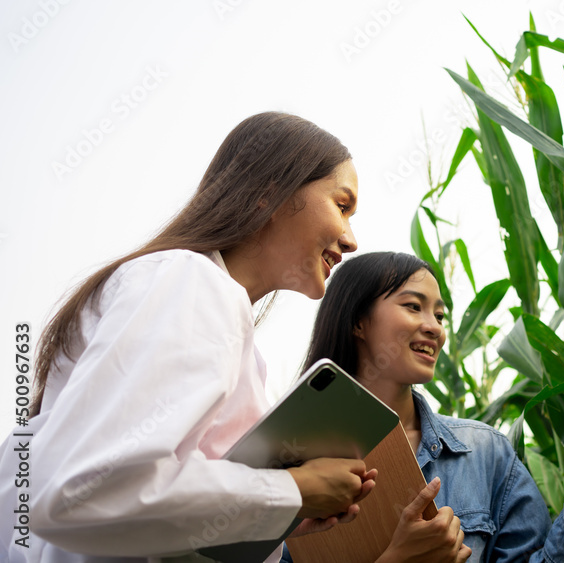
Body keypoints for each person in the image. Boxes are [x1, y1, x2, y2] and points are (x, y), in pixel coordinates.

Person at [0, 112, 377, 563]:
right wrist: (291, 490)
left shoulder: (240, 343)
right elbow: (82, 491)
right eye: (342, 204)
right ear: (271, 192)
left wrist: (277, 520)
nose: (352, 239)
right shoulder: (190, 282)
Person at [283, 252, 564, 563]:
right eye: (413, 307)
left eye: (441, 315)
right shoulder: (289, 460)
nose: (435, 328)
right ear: (358, 322)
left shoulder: (484, 453)